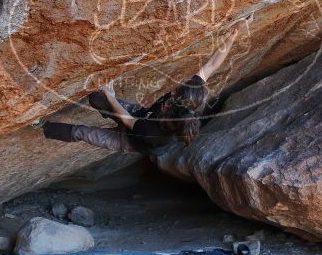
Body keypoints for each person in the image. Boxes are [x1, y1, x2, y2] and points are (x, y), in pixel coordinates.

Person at [40, 22, 244, 157]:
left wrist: (112, 97)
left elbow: (129, 122)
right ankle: (104, 108)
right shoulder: (190, 99)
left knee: (81, 132)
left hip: (130, 139)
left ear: (176, 94)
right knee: (97, 98)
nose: (179, 82)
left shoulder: (155, 132)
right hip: (140, 117)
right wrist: (233, 35)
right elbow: (211, 66)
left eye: (179, 85)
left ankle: (42, 127)